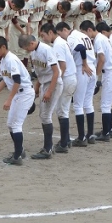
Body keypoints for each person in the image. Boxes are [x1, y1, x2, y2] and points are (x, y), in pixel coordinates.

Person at [0, 36, 35, 166]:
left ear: (3, 47)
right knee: (10, 124)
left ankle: (17, 156)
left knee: (16, 125)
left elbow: (17, 81)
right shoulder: (3, 60)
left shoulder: (11, 60)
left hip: (24, 93)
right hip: (19, 94)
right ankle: (20, 150)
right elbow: (5, 80)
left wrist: (9, 100)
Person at [18, 34, 61, 158]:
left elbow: (56, 72)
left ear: (31, 43)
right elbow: (40, 73)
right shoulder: (33, 53)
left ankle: (48, 149)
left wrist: (49, 91)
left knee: (45, 116)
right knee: (43, 115)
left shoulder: (46, 50)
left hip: (53, 84)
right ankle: (48, 147)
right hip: (44, 83)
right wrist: (37, 87)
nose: (26, 51)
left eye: (26, 48)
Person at [55, 21, 97, 145]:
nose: (61, 37)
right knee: (88, 103)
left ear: (65, 29)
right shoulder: (83, 35)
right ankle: (90, 135)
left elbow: (81, 48)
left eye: (60, 34)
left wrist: (84, 63)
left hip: (82, 69)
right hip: (92, 69)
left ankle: (82, 138)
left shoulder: (72, 37)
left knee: (78, 105)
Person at [79, 21, 112, 140]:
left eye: (84, 32)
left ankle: (106, 133)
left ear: (89, 30)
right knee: (107, 104)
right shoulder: (102, 38)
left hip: (110, 73)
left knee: (105, 105)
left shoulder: (98, 40)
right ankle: (109, 130)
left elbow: (102, 59)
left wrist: (96, 76)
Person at [39, 23, 77, 153]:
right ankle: (66, 140)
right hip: (70, 78)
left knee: (62, 111)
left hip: (66, 79)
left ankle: (64, 143)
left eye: (43, 35)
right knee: (63, 110)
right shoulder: (61, 42)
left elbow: (62, 67)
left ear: (50, 32)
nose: (43, 39)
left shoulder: (58, 45)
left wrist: (55, 83)